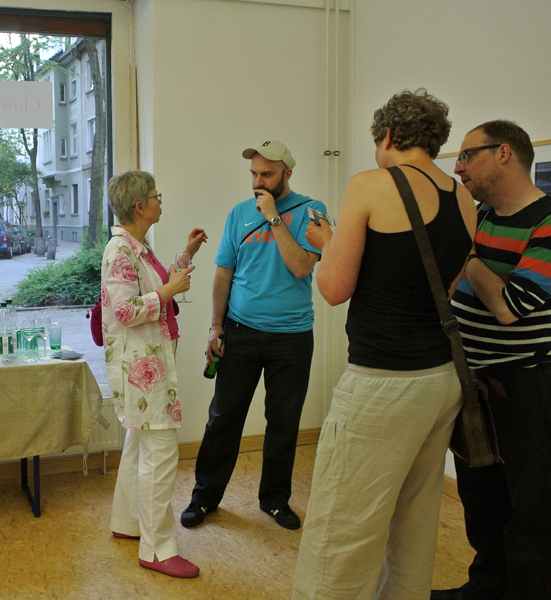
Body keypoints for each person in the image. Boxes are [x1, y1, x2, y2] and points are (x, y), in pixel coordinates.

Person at [292, 89, 477, 599]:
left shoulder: (371, 184)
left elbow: (334, 289)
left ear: (389, 136)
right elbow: (447, 282)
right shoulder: (462, 197)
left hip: (383, 384)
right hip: (441, 379)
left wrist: (327, 244)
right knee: (414, 524)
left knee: (341, 530)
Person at [432, 121, 551, 600]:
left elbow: (509, 307)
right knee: (482, 503)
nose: (458, 168)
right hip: (474, 384)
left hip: (523, 389)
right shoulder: (483, 215)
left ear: (504, 153)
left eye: (467, 155)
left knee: (529, 514)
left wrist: (469, 254)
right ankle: (484, 590)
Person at [181, 140, 324, 531]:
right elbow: (223, 272)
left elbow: (301, 267)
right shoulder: (239, 214)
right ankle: (204, 497)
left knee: (283, 422)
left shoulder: (312, 212)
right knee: (223, 418)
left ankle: (275, 500)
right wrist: (216, 326)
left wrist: (275, 218)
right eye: (254, 174)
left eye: (267, 174)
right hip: (240, 332)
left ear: (287, 174)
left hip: (292, 336)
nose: (258, 181)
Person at [102, 170, 207, 578]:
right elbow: (126, 311)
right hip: (141, 370)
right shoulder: (120, 251)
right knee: (160, 453)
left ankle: (128, 522)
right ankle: (158, 550)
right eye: (155, 195)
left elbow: (159, 284)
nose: (160, 200)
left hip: (148, 362)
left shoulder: (138, 247)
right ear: (139, 206)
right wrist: (169, 290)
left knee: (139, 445)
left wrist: (185, 257)